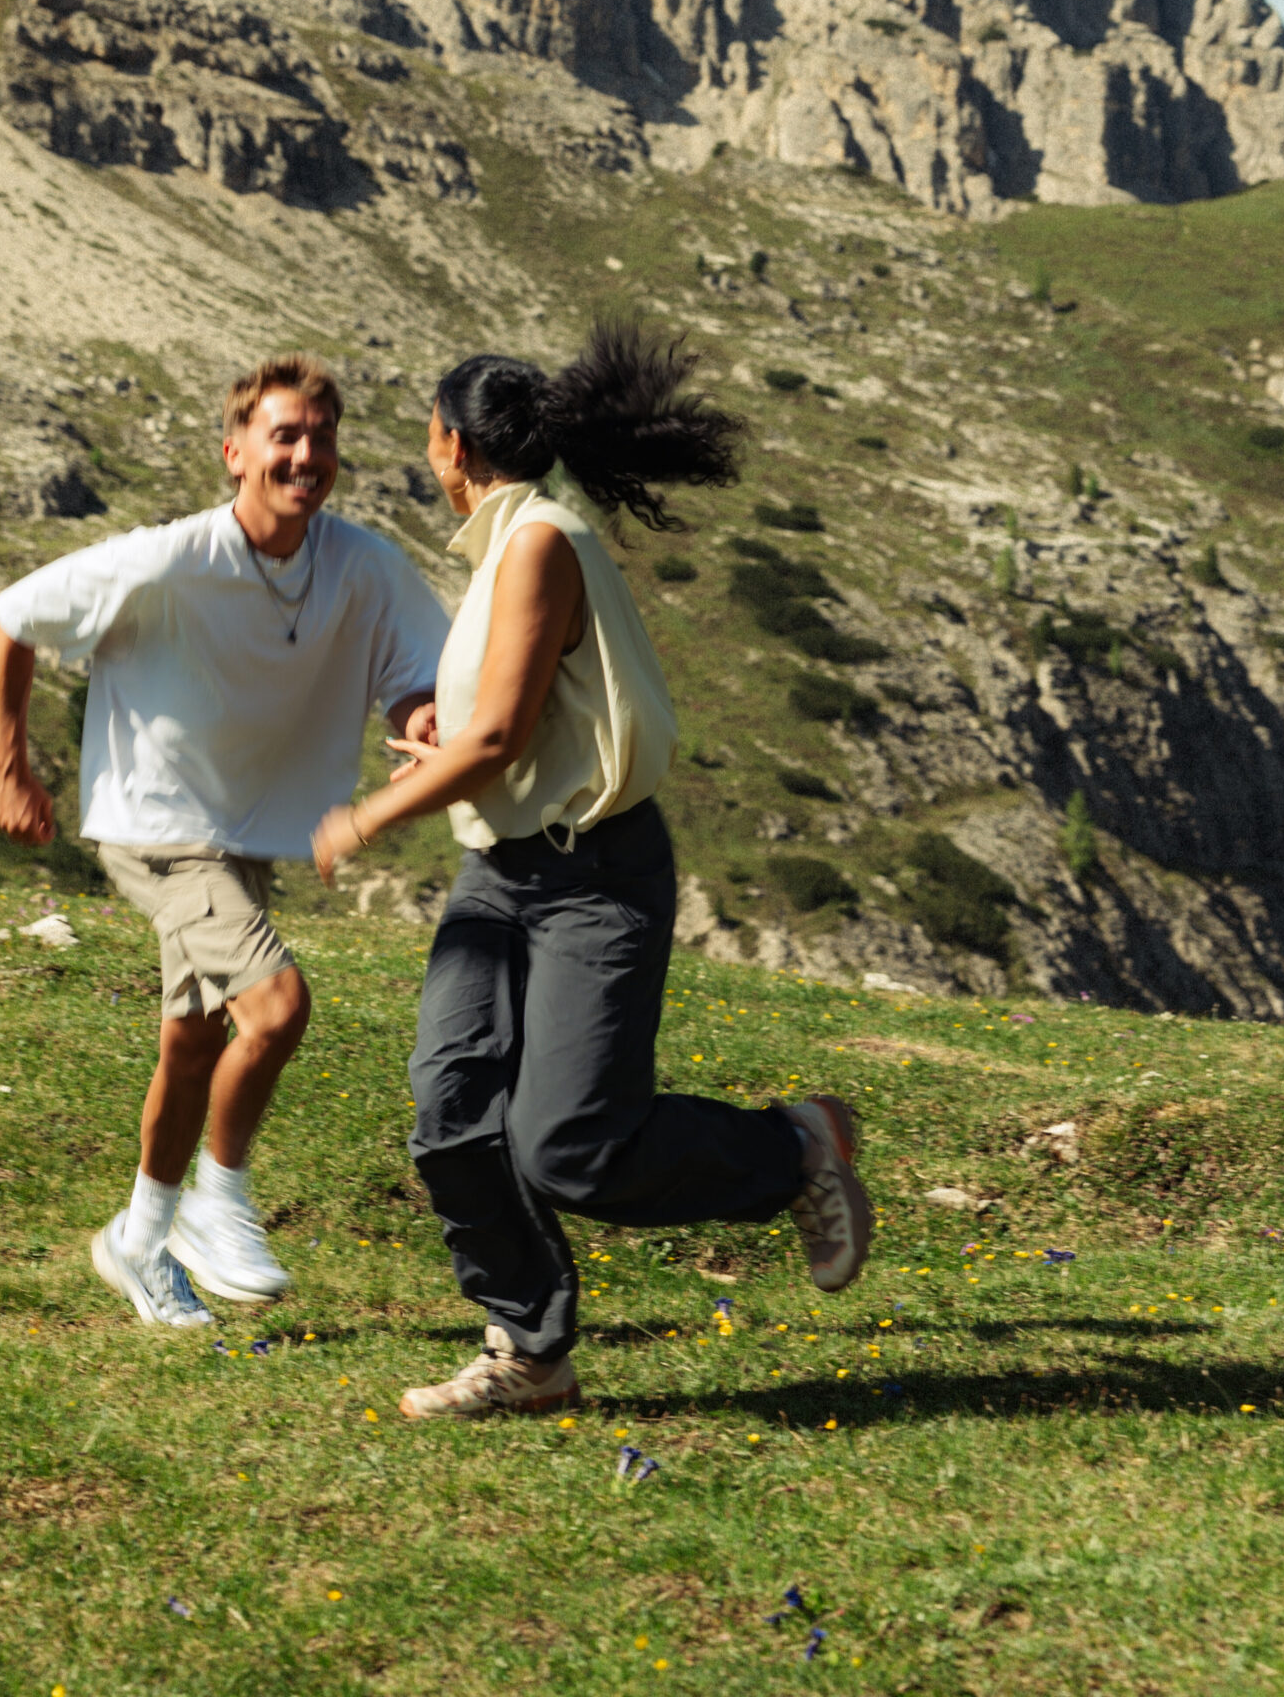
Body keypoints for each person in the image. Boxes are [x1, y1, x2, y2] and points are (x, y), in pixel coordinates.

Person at [312, 321, 874, 1419]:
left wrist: (366, 818)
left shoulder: (537, 545)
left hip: (591, 877)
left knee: (569, 1144)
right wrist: (443, 727)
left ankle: (793, 1147)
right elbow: (508, 722)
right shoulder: (511, 544)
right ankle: (531, 1349)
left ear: (446, 442)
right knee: (451, 1102)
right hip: (505, 870)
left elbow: (500, 743)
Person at [0, 351, 447, 1330]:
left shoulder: (362, 565)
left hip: (239, 839)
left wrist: (423, 725)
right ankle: (217, 1206)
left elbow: (418, 671)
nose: (306, 454)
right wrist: (10, 766)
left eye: (321, 439)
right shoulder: (170, 557)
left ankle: (138, 1240)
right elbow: (14, 616)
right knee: (276, 1010)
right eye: (285, 435)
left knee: (193, 1045)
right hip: (157, 825)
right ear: (236, 452)